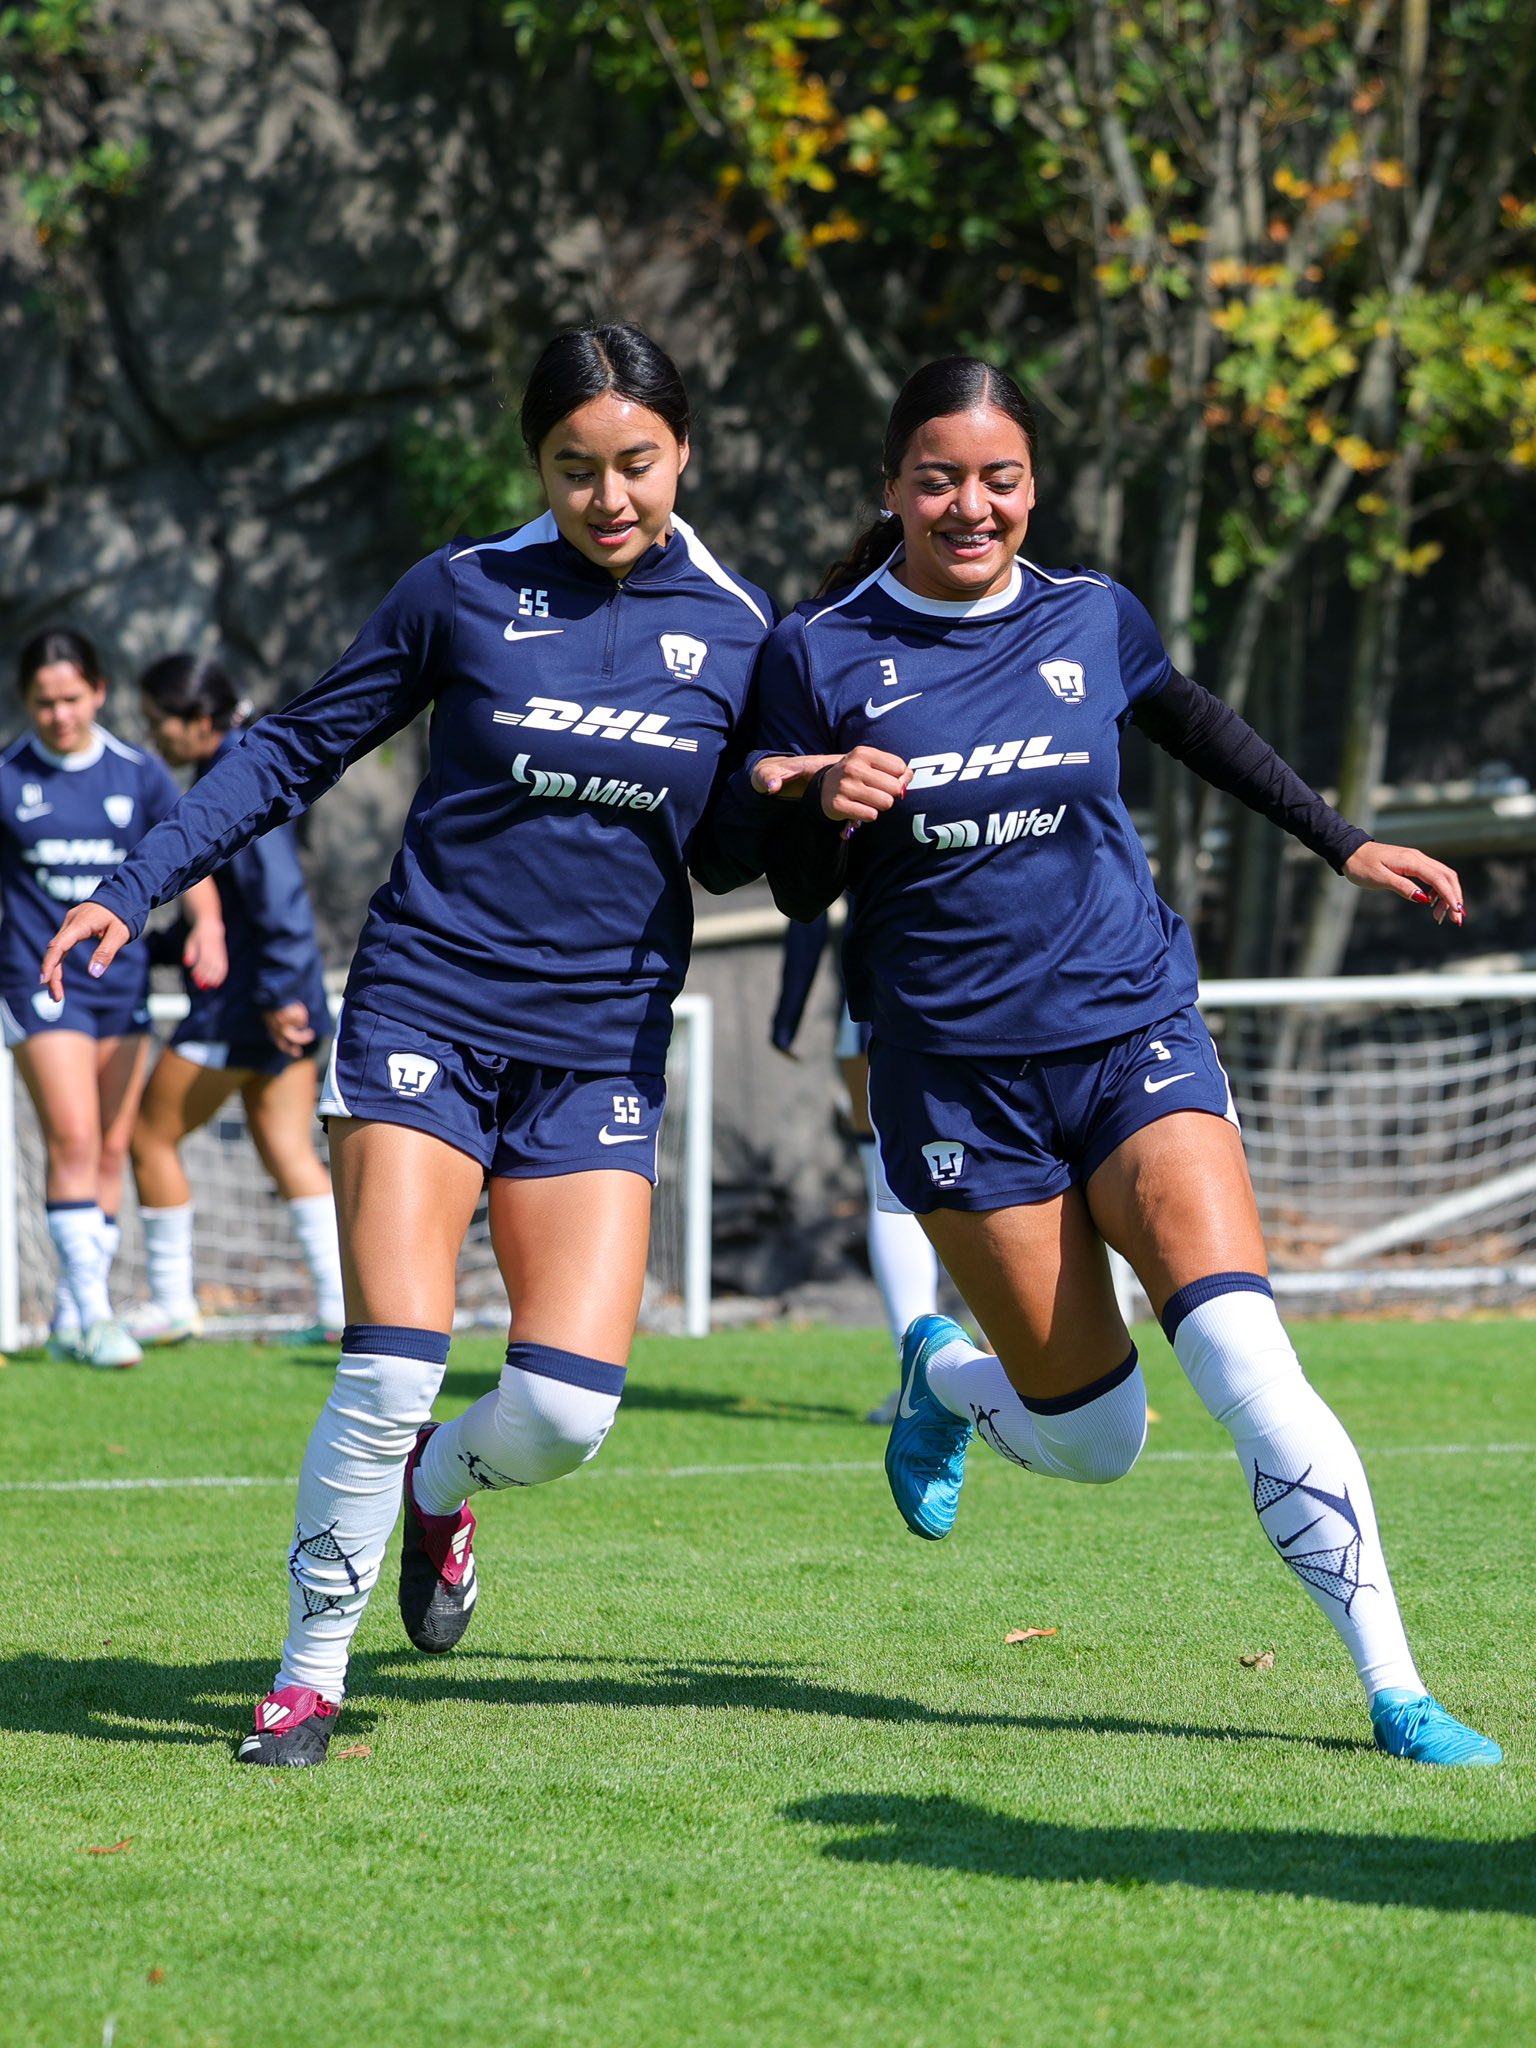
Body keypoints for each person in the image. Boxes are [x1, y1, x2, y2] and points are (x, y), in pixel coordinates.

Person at [41, 324, 789, 1767]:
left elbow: (738, 857)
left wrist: (798, 794)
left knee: (566, 1415)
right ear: (538, 466)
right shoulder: (463, 589)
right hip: (424, 1010)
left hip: (599, 1041)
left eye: (635, 463)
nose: (608, 495)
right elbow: (285, 748)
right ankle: (307, 1675)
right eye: (575, 468)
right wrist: (134, 882)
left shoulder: (751, 632)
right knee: (389, 1363)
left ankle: (444, 1491)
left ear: (684, 453)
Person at [750, 355, 1501, 1768]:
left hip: (1133, 1033)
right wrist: (823, 811)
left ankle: (1395, 1687)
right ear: (894, 486)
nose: (970, 507)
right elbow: (788, 889)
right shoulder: (821, 651)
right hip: (961, 1081)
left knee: (1244, 1354)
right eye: (939, 479)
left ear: (1033, 485)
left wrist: (1344, 839)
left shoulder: (1092, 615)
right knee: (1099, 1444)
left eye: (1001, 479)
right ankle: (948, 1382)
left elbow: (1196, 721)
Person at [1, 628, 226, 1370]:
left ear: (97, 692)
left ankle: (72, 1315)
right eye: (43, 702)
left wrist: (209, 926)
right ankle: (96, 1317)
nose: (59, 714)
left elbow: (188, 854)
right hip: (41, 986)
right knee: (70, 1136)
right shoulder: (9, 777)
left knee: (106, 1146)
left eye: (71, 698)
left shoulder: (138, 773)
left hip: (118, 984)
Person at [128, 652, 345, 1347]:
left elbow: (276, 893)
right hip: (284, 999)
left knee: (148, 1137)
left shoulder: (235, 774)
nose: (153, 735)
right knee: (287, 1147)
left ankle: (170, 1303)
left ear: (197, 721)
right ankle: (343, 1308)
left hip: (248, 1007)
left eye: (159, 722)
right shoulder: (234, 762)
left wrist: (280, 994)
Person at [770, 911, 938, 1418]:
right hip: (1000, 990)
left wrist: (789, 1010)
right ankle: (1021, 1375)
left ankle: (925, 1381)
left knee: (894, 1194)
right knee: (1011, 1180)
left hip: (884, 998)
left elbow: (808, 893)